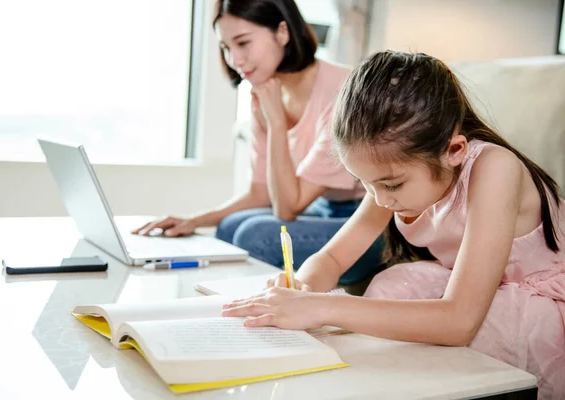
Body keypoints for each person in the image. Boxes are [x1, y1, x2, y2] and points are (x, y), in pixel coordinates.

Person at [220, 51, 565, 399]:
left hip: (539, 298)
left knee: (481, 329)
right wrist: (302, 287)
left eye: (391, 185)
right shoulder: (386, 177)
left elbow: (460, 321)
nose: (380, 199)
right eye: (365, 183)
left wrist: (321, 307)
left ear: (455, 150)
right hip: (473, 287)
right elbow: (335, 258)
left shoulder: (495, 167)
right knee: (393, 283)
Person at [133, 0, 385, 285]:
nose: (235, 59)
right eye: (226, 47)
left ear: (282, 32)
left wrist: (277, 123)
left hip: (369, 222)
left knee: (255, 235)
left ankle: (267, 316)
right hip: (321, 209)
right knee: (229, 225)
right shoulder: (267, 93)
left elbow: (287, 208)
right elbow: (262, 193)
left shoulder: (342, 92)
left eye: (243, 43)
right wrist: (194, 220)